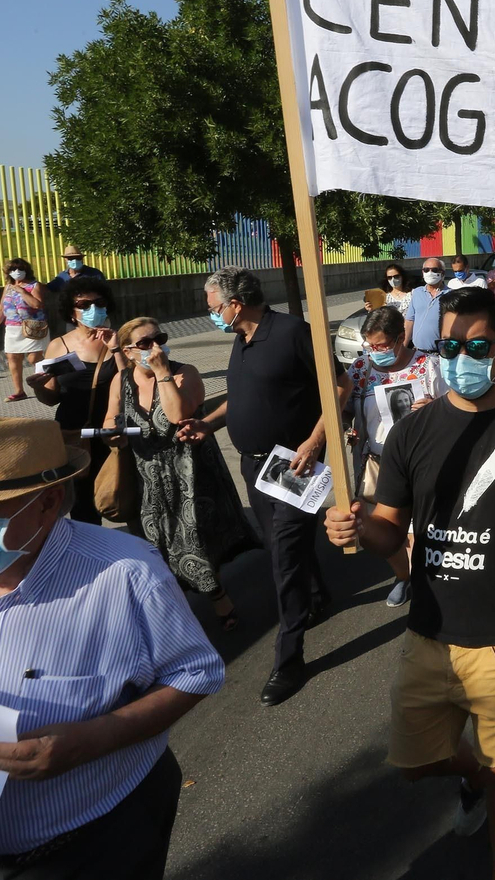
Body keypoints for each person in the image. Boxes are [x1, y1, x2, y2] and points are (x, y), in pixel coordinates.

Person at [0, 416, 224, 875]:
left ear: (48, 503)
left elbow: (196, 672)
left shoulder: (126, 573)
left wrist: (93, 739)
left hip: (97, 841)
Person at [324, 287, 495, 880]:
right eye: (448, 344)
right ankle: (470, 775)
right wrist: (359, 526)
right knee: (416, 764)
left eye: (474, 345)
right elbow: (390, 534)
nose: (460, 356)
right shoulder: (413, 434)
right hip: (430, 636)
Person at [176, 267, 350, 707]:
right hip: (256, 469)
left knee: (285, 559)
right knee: (280, 548)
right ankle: (315, 595)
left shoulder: (293, 333)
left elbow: (340, 386)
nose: (211, 313)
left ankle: (288, 657)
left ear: (236, 303)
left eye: (214, 306)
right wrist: (208, 423)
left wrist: (314, 442)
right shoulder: (242, 340)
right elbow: (243, 396)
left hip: (295, 466)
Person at [103, 316, 255, 633]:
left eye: (160, 338)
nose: (156, 347)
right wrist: (111, 433)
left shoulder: (185, 373)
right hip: (148, 477)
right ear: (128, 351)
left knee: (193, 543)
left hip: (190, 474)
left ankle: (218, 597)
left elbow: (177, 415)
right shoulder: (122, 379)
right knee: (155, 545)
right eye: (145, 343)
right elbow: (111, 417)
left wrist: (161, 372)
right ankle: (171, 609)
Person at [345, 306, 444, 608]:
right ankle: (404, 576)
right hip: (375, 465)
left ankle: (422, 587)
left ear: (401, 338)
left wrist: (433, 407)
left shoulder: (428, 367)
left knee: (414, 532)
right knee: (384, 533)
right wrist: (348, 429)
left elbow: (452, 409)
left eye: (382, 345)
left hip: (417, 465)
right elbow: (346, 408)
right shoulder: (360, 369)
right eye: (369, 345)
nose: (374, 352)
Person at [27, 276, 124, 524]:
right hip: (73, 435)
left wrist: (116, 349)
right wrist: (38, 388)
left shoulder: (120, 340)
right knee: (81, 505)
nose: (92, 309)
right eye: (83, 305)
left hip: (110, 432)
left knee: (122, 495)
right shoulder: (58, 346)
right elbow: (51, 398)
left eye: (98, 302)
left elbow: (131, 383)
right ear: (72, 313)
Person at [0, 258, 49, 403]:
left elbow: (37, 305)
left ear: (26, 270)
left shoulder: (35, 286)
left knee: (34, 358)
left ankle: (46, 384)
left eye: (20, 269)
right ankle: (19, 391)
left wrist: (22, 292)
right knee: (13, 358)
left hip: (33, 327)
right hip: (13, 328)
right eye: (13, 270)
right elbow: (1, 308)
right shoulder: (8, 287)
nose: (17, 272)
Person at [407, 256, 450, 354]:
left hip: (441, 353)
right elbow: (409, 321)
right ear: (422, 273)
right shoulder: (417, 292)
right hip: (418, 352)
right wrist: (403, 348)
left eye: (434, 270)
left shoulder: (451, 295)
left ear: (442, 273)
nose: (430, 273)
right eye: (426, 270)